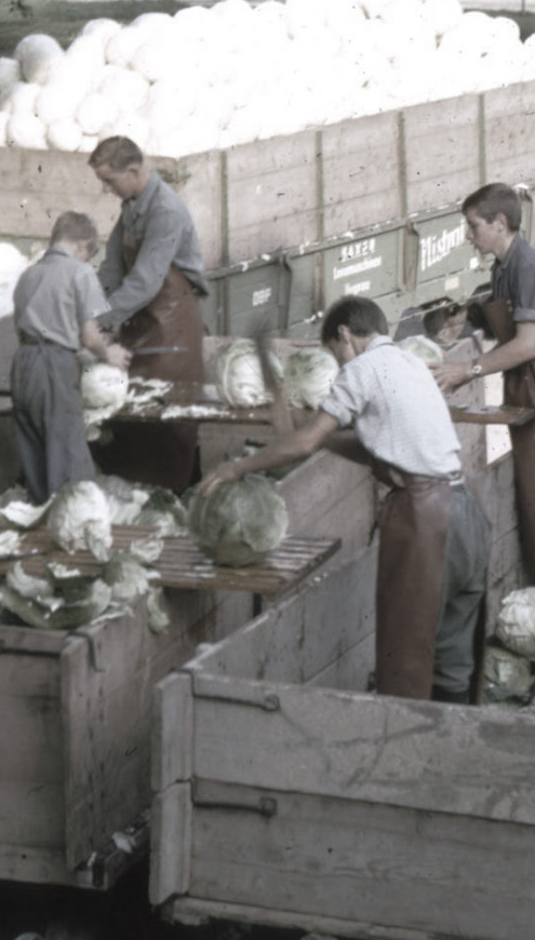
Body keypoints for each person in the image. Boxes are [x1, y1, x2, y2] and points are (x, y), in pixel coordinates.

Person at [197, 296, 490, 703]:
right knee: (452, 657)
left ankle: (405, 755)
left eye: (334, 353)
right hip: (466, 513)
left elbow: (302, 443)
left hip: (428, 522)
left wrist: (236, 469)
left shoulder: (361, 369)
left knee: (406, 654)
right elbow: (379, 449)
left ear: (345, 335)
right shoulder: (408, 364)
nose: (337, 364)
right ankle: (452, 750)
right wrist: (317, 437)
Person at [433, 182, 535, 585]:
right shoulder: (503, 268)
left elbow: (526, 344)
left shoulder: (530, 266)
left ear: (500, 222)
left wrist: (467, 370)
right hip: (527, 383)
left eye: (474, 227)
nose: (470, 237)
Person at [88, 136, 209, 491]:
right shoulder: (131, 205)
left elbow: (144, 283)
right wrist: (90, 309)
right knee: (133, 415)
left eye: (110, 181)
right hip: (141, 321)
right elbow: (112, 268)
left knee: (168, 415)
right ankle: (140, 494)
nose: (107, 189)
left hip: (172, 326)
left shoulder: (165, 211)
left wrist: (101, 321)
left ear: (135, 170)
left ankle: (180, 493)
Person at [11, 211, 131, 503]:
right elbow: (90, 338)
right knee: (67, 456)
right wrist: (109, 353)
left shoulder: (29, 275)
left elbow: (32, 327)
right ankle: (75, 524)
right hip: (54, 366)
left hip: (23, 363)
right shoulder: (81, 273)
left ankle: (42, 521)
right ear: (83, 245)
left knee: (36, 457)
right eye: (88, 255)